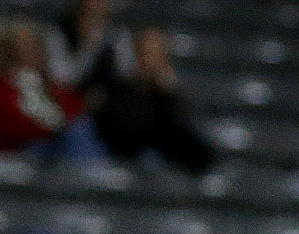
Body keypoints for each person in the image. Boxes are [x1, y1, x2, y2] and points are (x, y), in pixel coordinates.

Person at [84, 28, 216, 176]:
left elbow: (184, 130)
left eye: (153, 55)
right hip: (129, 160)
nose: (147, 60)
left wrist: (168, 90)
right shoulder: (117, 91)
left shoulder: (171, 96)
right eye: (143, 53)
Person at [0, 21, 107, 163]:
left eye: (33, 46)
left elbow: (72, 106)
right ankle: (94, 175)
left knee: (83, 128)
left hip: (56, 145)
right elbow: (9, 128)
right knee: (77, 132)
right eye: (23, 46)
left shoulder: (47, 84)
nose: (30, 51)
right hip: (21, 151)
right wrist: (52, 128)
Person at [47, 0, 136, 91]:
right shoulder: (58, 33)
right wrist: (89, 48)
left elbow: (127, 72)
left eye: (101, 8)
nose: (96, 12)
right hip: (70, 97)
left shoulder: (118, 34)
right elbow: (64, 78)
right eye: (90, 9)